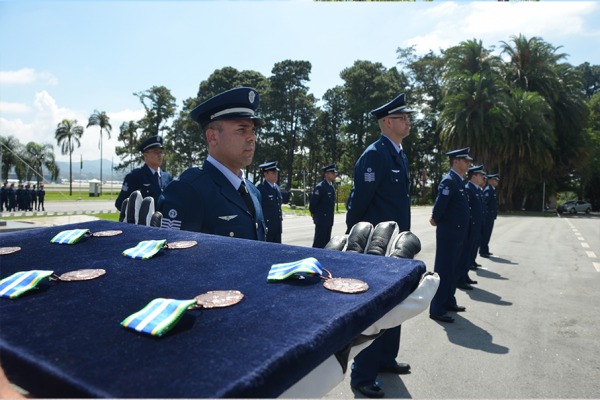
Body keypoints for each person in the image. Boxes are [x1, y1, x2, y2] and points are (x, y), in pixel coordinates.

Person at [345, 93, 414, 399]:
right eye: (403, 118)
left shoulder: (398, 153)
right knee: (375, 310)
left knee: (396, 301)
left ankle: (386, 359)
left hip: (396, 245)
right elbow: (360, 200)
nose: (408, 122)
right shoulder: (375, 154)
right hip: (377, 246)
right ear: (388, 122)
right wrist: (355, 234)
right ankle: (362, 375)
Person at [158, 87, 266, 241]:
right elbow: (174, 260)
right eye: (242, 129)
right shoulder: (189, 190)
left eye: (253, 130)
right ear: (213, 137)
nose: (252, 138)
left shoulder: (254, 192)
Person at [429, 147, 472, 323]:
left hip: (458, 232)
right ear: (456, 162)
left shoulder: (458, 180)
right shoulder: (449, 181)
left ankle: (448, 301)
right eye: (465, 161)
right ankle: (437, 308)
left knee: (452, 269)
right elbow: (441, 205)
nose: (468, 164)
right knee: (444, 269)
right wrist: (435, 219)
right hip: (449, 233)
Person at [115, 135, 172, 212]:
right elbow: (120, 204)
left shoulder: (167, 177)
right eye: (156, 152)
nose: (160, 155)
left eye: (161, 152)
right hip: (142, 223)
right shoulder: (135, 177)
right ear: (145, 156)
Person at [457, 164, 486, 290]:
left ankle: (465, 275)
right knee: (465, 253)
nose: (482, 178)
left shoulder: (477, 189)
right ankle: (460, 278)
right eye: (480, 175)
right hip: (469, 226)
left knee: (470, 252)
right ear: (474, 176)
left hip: (475, 227)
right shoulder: (469, 188)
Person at [257, 161, 288, 243]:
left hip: (277, 227)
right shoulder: (261, 189)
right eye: (273, 172)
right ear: (265, 174)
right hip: (268, 227)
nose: (276, 175)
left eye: (276, 172)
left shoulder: (276, 187)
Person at [309, 164, 337, 248]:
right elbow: (313, 204)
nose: (334, 174)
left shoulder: (331, 186)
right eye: (332, 173)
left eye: (335, 172)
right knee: (319, 243)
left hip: (328, 219)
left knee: (326, 243)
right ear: (326, 174)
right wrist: (316, 215)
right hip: (321, 219)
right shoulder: (320, 187)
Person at [480, 173, 500, 258]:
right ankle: (483, 251)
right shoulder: (488, 190)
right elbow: (485, 203)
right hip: (487, 216)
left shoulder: (492, 189)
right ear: (491, 180)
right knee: (485, 234)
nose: (497, 181)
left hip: (490, 216)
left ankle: (485, 250)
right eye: (495, 180)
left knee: (488, 234)